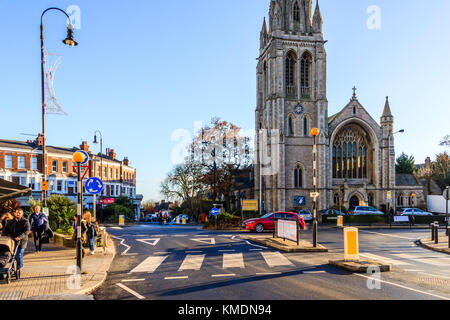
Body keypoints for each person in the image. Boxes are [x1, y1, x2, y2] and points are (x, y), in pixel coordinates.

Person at [1, 208, 31, 273]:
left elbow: (27, 231)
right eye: (16, 212)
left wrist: (19, 237)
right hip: (12, 241)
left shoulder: (25, 221)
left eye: (19, 213)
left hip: (22, 241)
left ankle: (19, 267)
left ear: (22, 214)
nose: (17, 214)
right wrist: (5, 235)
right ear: (14, 213)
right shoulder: (11, 221)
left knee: (19, 254)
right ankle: (11, 267)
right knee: (11, 255)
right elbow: (5, 230)